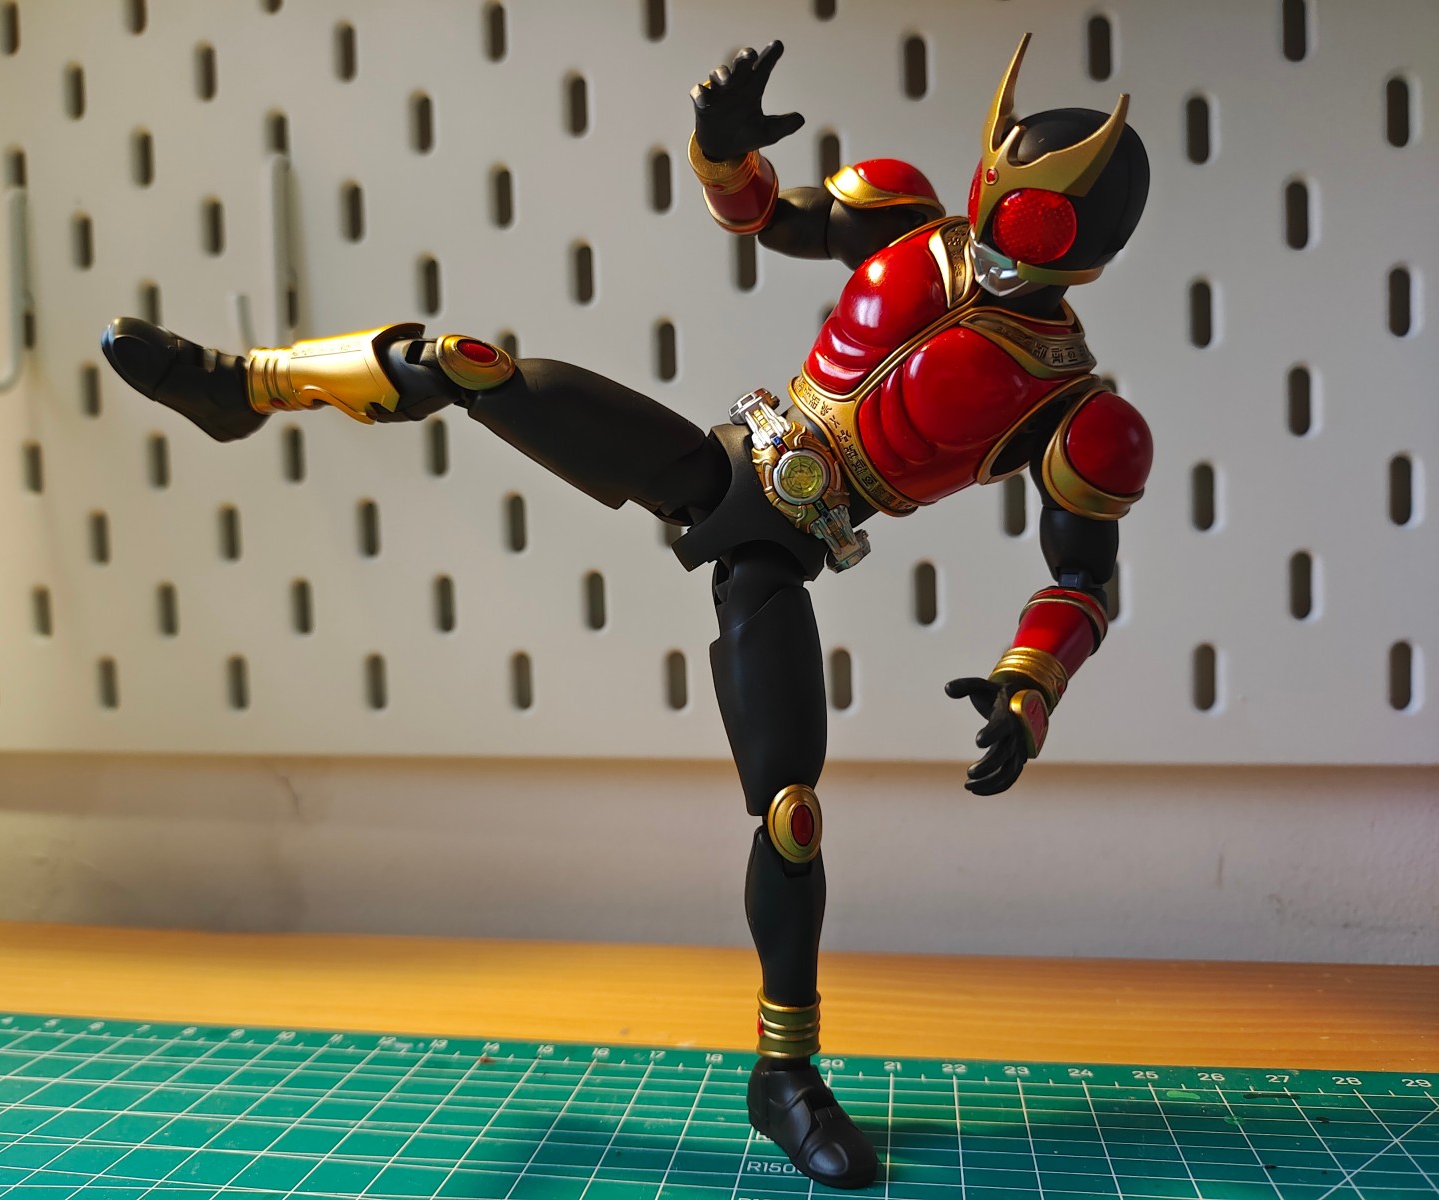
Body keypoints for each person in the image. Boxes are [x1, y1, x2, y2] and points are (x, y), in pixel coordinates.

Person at [99, 34, 1152, 1190]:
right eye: (995, 196)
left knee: (790, 814)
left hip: (783, 546)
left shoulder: (1073, 406)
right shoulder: (907, 221)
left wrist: (1027, 686)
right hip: (719, 463)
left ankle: (783, 1075)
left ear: (1081, 248)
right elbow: (765, 217)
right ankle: (243, 387)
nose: (994, 230)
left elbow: (1081, 578)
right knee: (467, 363)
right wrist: (720, 148)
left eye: (1029, 222)